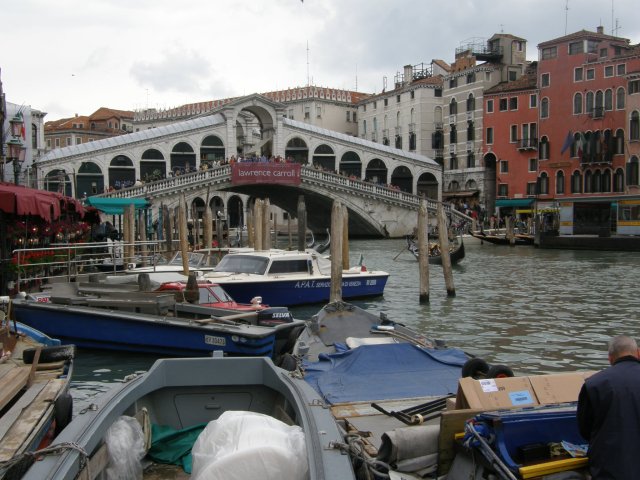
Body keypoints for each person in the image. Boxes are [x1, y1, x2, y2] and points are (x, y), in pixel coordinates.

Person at [577, 335, 640, 479]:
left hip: (611, 469)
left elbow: (585, 429)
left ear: (610, 358)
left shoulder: (594, 384)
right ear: (638, 353)